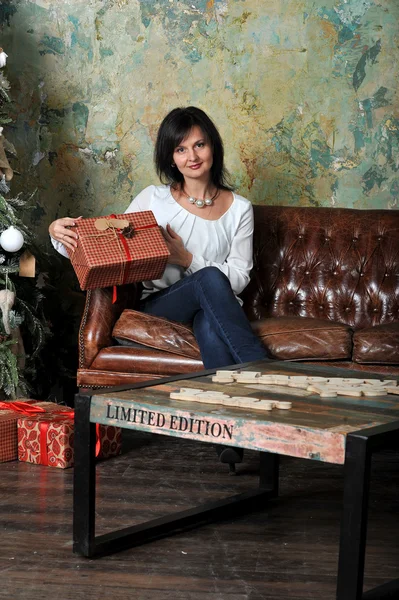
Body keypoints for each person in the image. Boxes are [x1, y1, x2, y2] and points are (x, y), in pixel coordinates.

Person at [49, 106, 272, 471]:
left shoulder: (239, 209)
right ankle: (262, 373)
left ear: (212, 147)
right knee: (211, 278)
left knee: (210, 323)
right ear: (171, 156)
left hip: (216, 310)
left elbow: (241, 278)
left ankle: (226, 436)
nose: (192, 156)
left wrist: (186, 258)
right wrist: (60, 234)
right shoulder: (154, 199)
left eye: (199, 145)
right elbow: (108, 243)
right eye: (181, 149)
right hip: (162, 306)